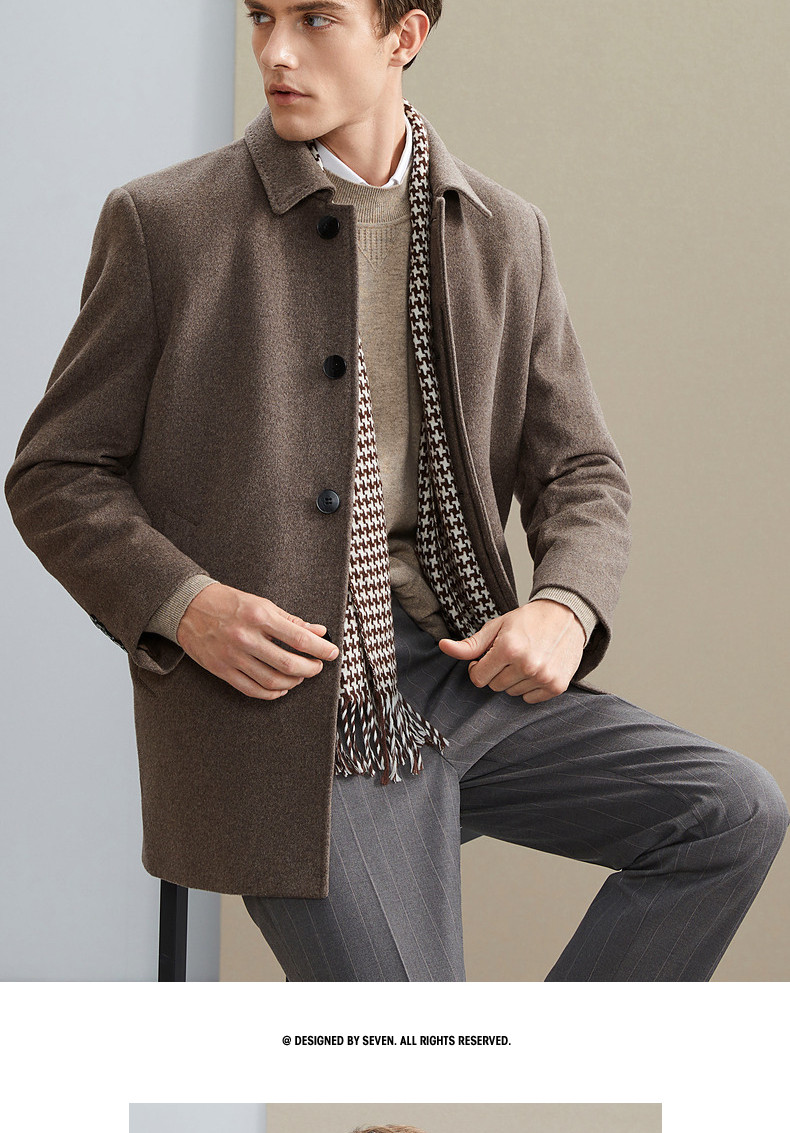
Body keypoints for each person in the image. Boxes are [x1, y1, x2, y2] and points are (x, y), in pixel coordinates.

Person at [5, 0, 788, 981]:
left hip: (460, 669)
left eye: (316, 19)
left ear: (403, 37)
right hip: (289, 707)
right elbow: (57, 472)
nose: (276, 52)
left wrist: (564, 606)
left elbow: (581, 468)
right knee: (410, 1031)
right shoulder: (168, 224)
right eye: (260, 18)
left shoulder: (505, 234)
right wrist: (187, 606)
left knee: (731, 813)